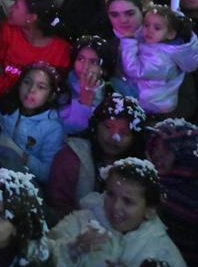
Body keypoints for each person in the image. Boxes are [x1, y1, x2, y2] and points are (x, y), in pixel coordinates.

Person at [49, 158, 190, 267]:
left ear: (149, 210)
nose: (115, 206)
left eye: (128, 202)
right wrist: (71, 251)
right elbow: (42, 264)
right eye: (111, 194)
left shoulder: (163, 251)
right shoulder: (81, 221)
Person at [46, 93, 147, 223]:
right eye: (108, 127)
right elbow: (56, 208)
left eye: (124, 133)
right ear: (96, 125)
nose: (114, 137)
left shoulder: (139, 170)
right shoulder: (71, 158)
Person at [0, 0, 72, 101]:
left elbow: (52, 95)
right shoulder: (6, 31)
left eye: (16, 6)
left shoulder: (62, 52)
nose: (10, 8)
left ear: (31, 18)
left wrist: (6, 79)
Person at [0, 63, 66, 184]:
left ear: (51, 95)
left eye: (41, 87)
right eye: (27, 82)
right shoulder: (7, 107)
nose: (31, 90)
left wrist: (16, 151)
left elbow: (47, 174)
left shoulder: (53, 128)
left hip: (24, 184)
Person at [116, 4, 198, 117]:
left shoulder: (162, 59)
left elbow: (134, 69)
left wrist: (128, 42)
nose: (149, 30)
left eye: (157, 28)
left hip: (151, 104)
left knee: (114, 85)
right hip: (150, 96)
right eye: (146, 25)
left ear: (170, 34)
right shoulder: (156, 45)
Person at [146, 118, 198, 267]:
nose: (157, 155)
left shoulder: (190, 190)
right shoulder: (150, 179)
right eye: (154, 146)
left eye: (168, 149)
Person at [58, 35, 113, 134]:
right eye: (80, 59)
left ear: (103, 69)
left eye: (93, 62)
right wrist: (84, 102)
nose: (85, 67)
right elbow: (65, 128)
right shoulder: (62, 87)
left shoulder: (111, 91)